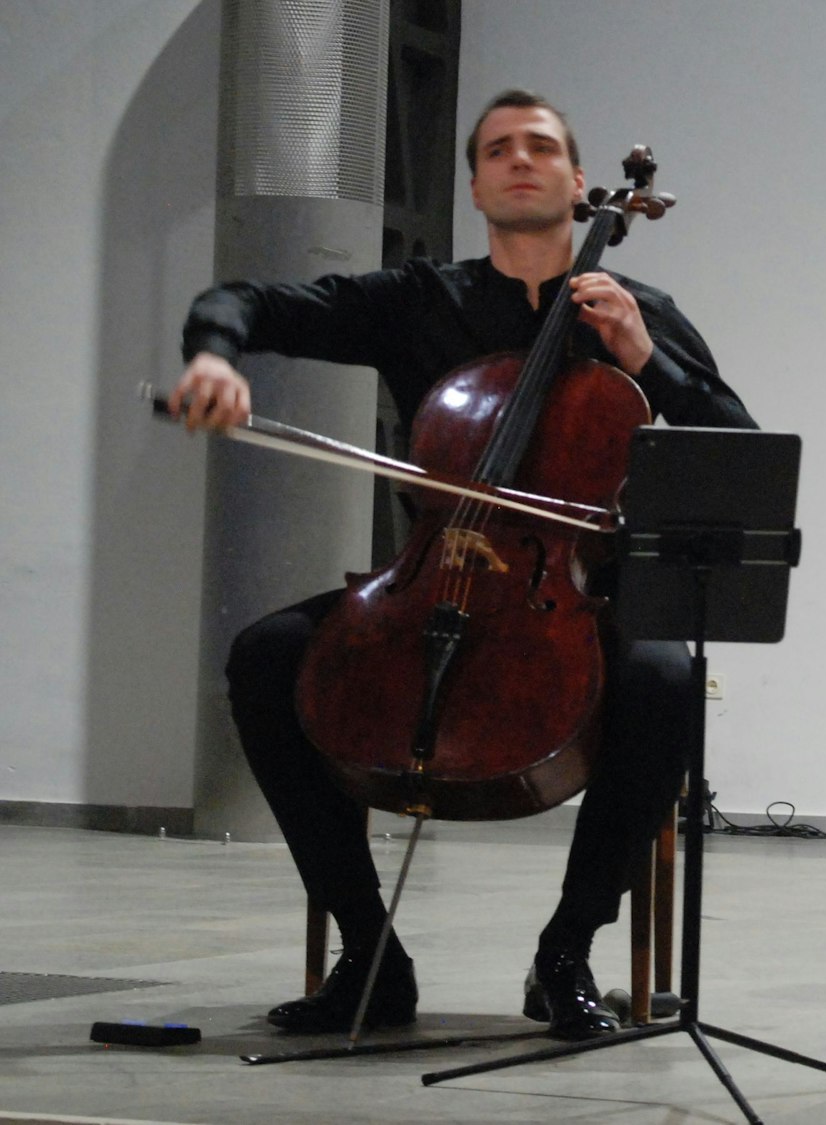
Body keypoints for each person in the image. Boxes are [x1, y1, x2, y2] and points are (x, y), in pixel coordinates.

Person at [169, 89, 754, 1040]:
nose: (519, 160)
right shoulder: (417, 301)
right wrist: (213, 357)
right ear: (478, 184)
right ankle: (371, 951)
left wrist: (649, 362)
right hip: (423, 576)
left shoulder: (639, 312)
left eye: (540, 147)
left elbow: (736, 446)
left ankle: (566, 953)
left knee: (664, 679)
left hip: (570, 593)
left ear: (575, 181)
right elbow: (242, 300)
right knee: (266, 655)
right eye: (497, 149)